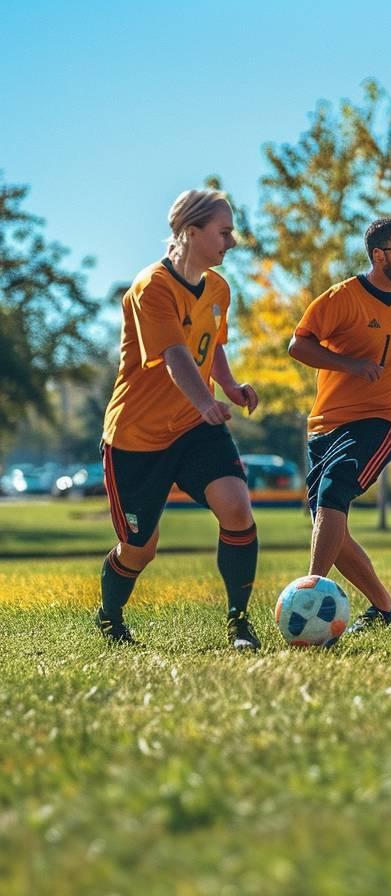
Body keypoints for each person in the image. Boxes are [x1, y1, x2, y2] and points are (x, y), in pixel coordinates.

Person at [97, 189, 261, 648]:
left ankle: (238, 623)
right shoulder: (152, 286)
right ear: (191, 232)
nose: (231, 242)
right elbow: (174, 356)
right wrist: (204, 401)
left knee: (237, 508)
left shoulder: (218, 288)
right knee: (139, 550)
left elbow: (214, 344)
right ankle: (109, 616)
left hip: (194, 430)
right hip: (136, 439)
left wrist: (227, 387)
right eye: (224, 232)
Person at [289, 218, 391, 632]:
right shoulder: (341, 298)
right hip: (325, 426)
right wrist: (349, 364)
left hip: (381, 421)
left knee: (335, 489)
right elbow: (299, 345)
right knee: (328, 520)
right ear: (378, 254)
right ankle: (384, 609)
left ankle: (312, 594)